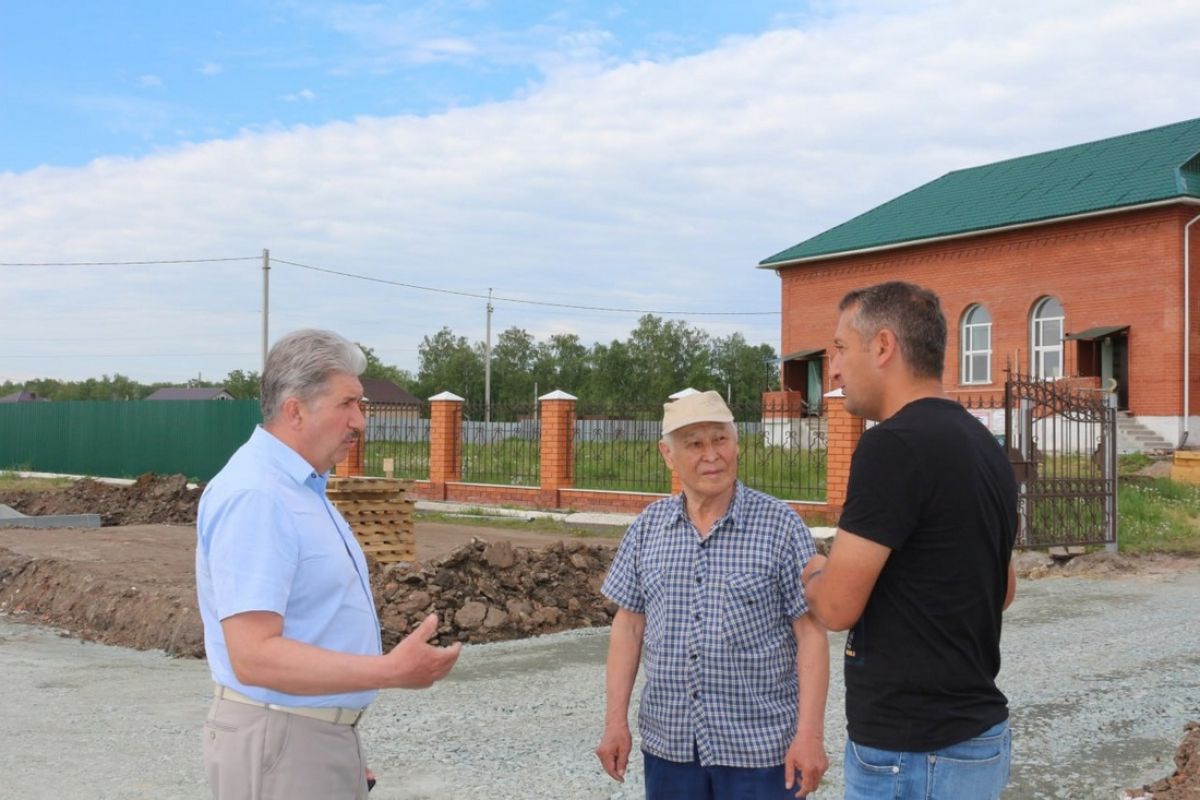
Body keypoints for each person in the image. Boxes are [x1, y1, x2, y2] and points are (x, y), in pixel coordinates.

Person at [196, 329, 461, 800]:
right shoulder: (258, 496)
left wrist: (337, 740)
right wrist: (389, 672)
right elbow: (254, 655)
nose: (360, 422)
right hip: (284, 739)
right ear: (295, 409)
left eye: (361, 406)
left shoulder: (299, 488)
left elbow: (311, 622)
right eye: (348, 405)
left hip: (305, 740)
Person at [800, 282, 1018, 800]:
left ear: (882, 346)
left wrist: (810, 571)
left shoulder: (890, 447)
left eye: (840, 348)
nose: (832, 368)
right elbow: (1002, 588)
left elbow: (834, 609)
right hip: (976, 739)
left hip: (912, 753)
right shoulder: (985, 446)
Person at [596, 390, 829, 799]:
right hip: (670, 746)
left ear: (737, 444)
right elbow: (628, 627)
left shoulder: (780, 526)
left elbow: (810, 636)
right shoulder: (648, 528)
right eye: (695, 444)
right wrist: (615, 722)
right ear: (667, 455)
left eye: (720, 439)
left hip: (760, 749)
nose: (712, 455)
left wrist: (809, 735)